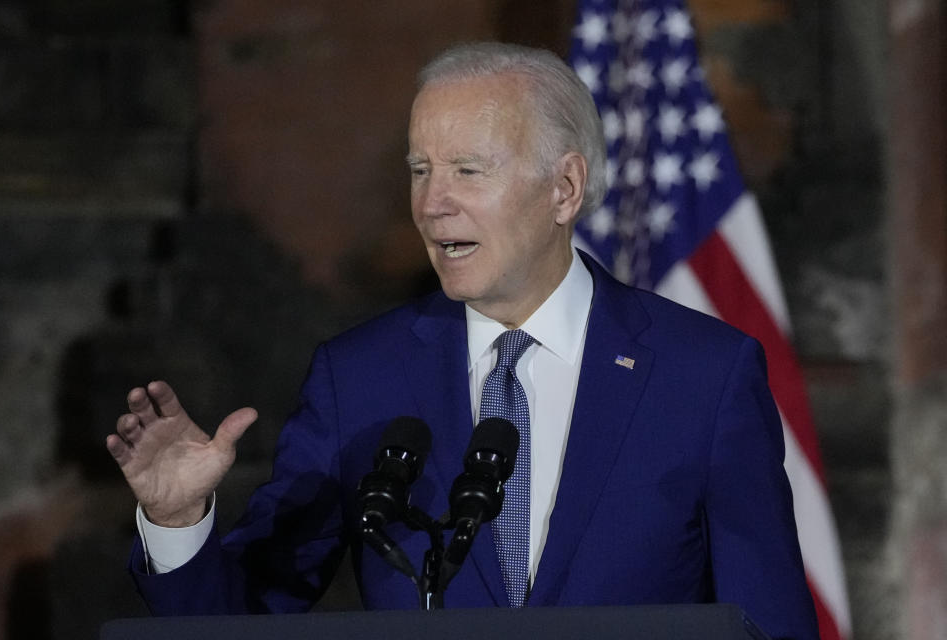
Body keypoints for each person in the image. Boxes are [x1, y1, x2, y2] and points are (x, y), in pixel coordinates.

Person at [106, 42, 819, 639]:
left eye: (467, 172)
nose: (431, 202)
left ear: (564, 188)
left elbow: (768, 624)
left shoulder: (704, 375)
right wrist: (178, 521)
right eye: (420, 170)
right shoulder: (359, 378)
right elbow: (248, 617)